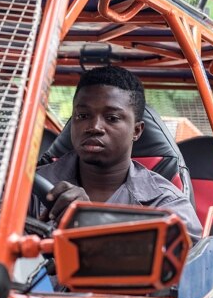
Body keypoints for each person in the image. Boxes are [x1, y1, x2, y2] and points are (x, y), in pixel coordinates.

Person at [35, 66, 202, 243]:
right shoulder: (31, 187)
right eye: (83, 115)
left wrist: (92, 220)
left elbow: (186, 253)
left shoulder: (167, 203)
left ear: (136, 131)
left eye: (112, 118)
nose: (94, 127)